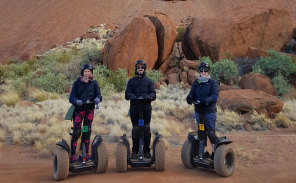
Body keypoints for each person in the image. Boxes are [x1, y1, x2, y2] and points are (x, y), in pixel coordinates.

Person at [69, 64, 102, 163]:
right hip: (79, 110)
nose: (87, 73)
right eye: (85, 71)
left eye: (88, 71)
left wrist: (98, 99)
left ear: (91, 72)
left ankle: (85, 153)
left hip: (89, 110)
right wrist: (76, 101)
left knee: (86, 131)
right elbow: (71, 97)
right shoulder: (77, 83)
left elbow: (99, 95)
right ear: (82, 72)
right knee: (77, 132)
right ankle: (73, 154)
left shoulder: (94, 83)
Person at [186, 62, 218, 160]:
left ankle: (214, 153)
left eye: (205, 70)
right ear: (199, 71)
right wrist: (189, 98)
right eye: (201, 70)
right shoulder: (196, 82)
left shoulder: (212, 83)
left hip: (209, 111)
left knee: (211, 132)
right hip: (199, 111)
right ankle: (202, 152)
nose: (203, 72)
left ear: (208, 72)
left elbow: (214, 96)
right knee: (201, 131)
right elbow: (191, 93)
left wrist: (206, 100)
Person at [125, 60, 156, 159]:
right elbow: (127, 94)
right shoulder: (131, 81)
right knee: (136, 129)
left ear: (144, 69)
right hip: (135, 108)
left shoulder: (149, 81)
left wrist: (149, 96)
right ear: (136, 69)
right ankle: (135, 151)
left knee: (146, 129)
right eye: (138, 68)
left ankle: (146, 151)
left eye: (142, 68)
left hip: (146, 108)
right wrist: (132, 96)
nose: (140, 69)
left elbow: (153, 94)